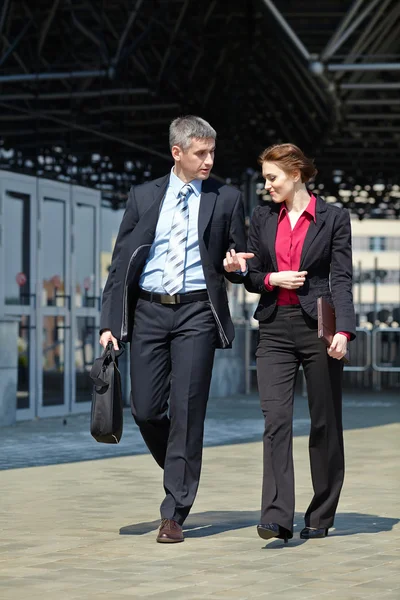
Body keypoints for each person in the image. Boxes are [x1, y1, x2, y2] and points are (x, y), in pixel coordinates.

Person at [99, 115, 253, 543]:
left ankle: (174, 511)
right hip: (148, 311)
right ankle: (181, 464)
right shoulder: (144, 196)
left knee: (187, 411)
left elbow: (238, 258)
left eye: (212, 152)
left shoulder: (226, 198)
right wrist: (111, 322)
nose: (209, 160)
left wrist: (237, 267)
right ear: (177, 153)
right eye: (200, 153)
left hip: (197, 313)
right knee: (144, 408)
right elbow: (120, 264)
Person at [244, 143, 356, 543]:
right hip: (274, 327)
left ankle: (321, 513)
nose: (267, 186)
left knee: (325, 422)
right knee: (276, 419)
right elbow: (253, 273)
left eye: (272, 178)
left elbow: (341, 278)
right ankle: (276, 516)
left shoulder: (334, 219)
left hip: (318, 329)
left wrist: (343, 330)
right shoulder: (262, 218)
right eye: (265, 179)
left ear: (296, 174)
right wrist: (267, 278)